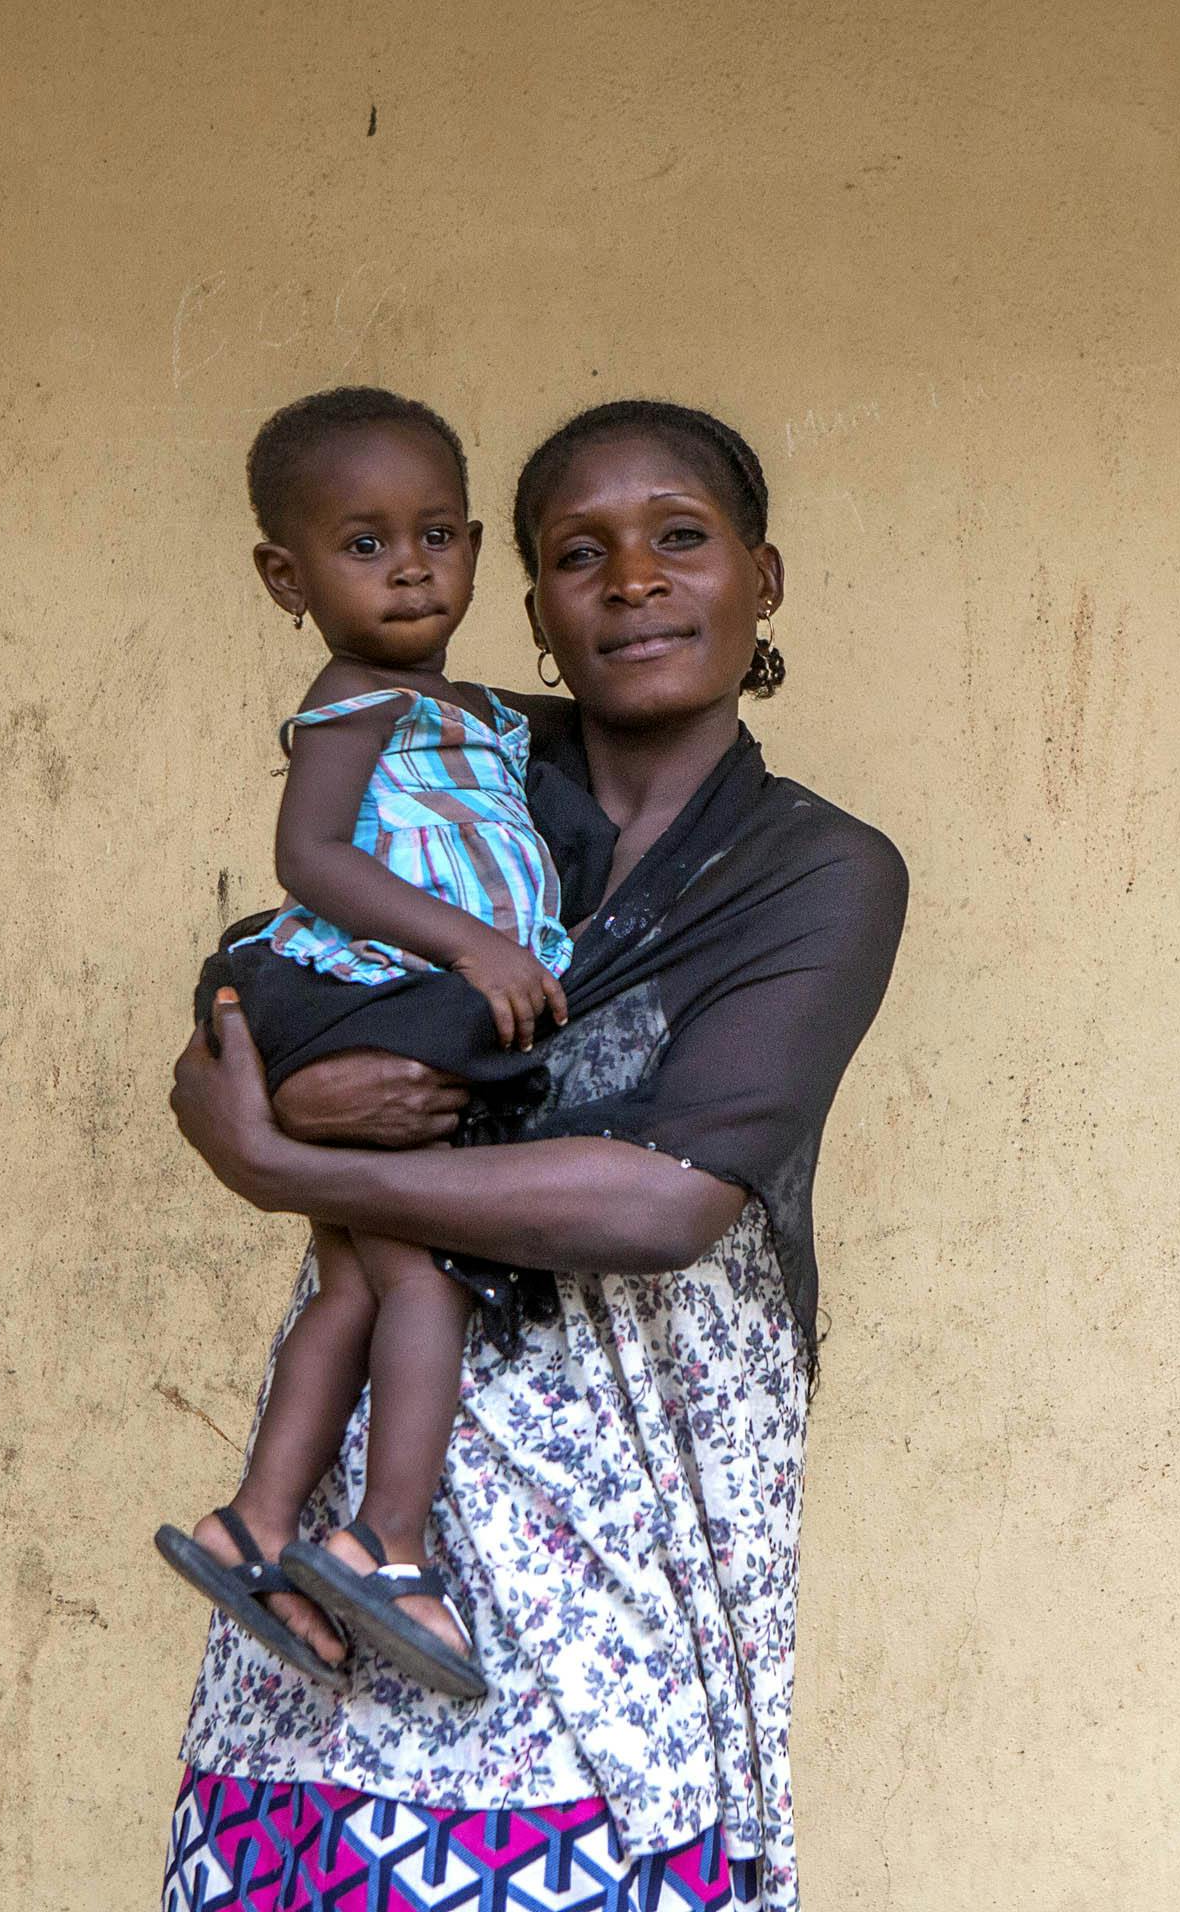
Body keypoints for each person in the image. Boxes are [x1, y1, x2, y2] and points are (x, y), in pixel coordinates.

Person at [164, 400, 907, 1912]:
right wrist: (254, 1077)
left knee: (585, 1853)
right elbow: (260, 966)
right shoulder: (462, 765)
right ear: (536, 611)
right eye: (583, 554)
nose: (634, 580)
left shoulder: (817, 871)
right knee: (308, 1848)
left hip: (648, 1474)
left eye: (680, 540)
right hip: (392, 1457)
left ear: (762, 579)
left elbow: (658, 1201)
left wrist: (286, 1161)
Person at [158, 386, 577, 1700]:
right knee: (425, 1280)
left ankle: (259, 1521)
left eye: (440, 534)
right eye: (365, 543)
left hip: (386, 995)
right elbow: (310, 855)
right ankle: (389, 1544)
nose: (411, 566)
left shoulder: (452, 706)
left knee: (352, 1282)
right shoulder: (354, 703)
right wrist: (474, 945)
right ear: (287, 576)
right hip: (373, 995)